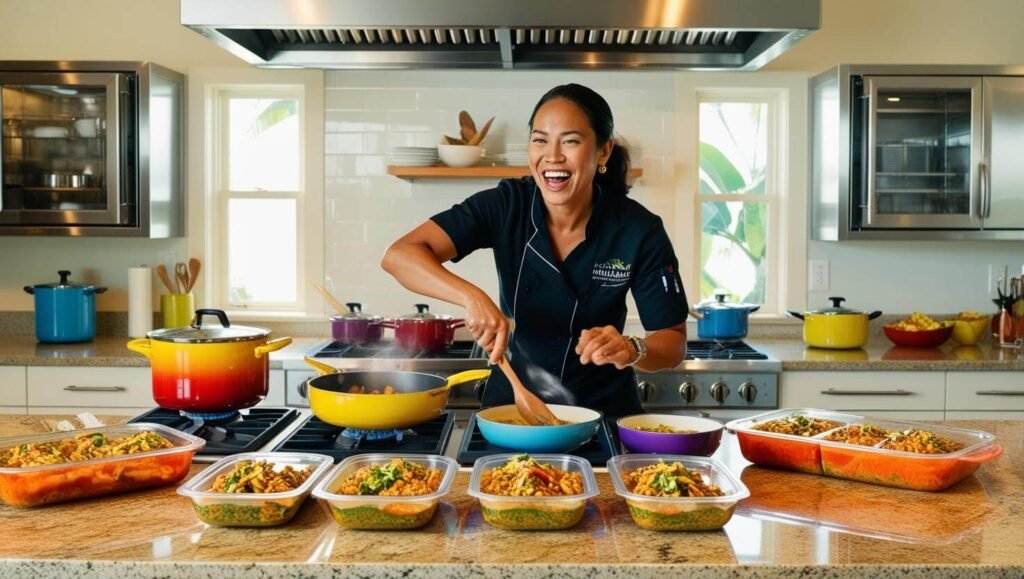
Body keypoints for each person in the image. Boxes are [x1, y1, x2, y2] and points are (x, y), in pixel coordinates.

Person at [381, 83, 688, 418]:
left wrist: (632, 348)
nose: (552, 156)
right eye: (540, 140)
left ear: (603, 152)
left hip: (603, 415)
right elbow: (400, 255)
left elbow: (672, 341)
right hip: (512, 410)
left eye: (570, 141)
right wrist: (471, 297)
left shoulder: (638, 229)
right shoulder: (507, 204)